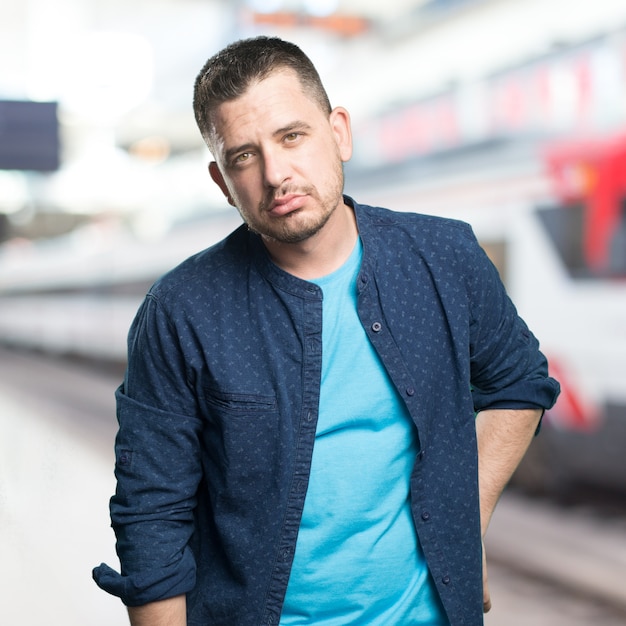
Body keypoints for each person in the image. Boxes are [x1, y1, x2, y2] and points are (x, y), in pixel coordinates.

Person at [93, 36, 560, 626]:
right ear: (221, 181)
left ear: (338, 130)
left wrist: (463, 521)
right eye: (244, 156)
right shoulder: (181, 310)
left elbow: (518, 382)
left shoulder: (445, 255)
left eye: (293, 136)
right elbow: (151, 515)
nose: (276, 173)